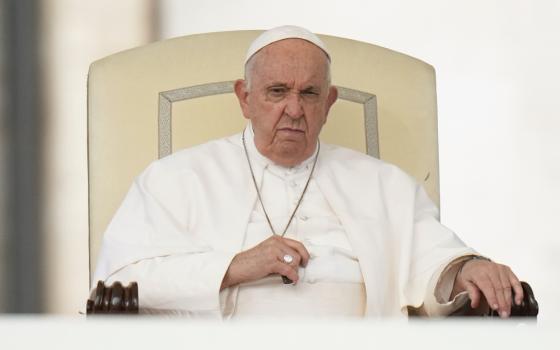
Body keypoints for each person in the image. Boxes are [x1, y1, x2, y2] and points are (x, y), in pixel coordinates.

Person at [93, 25, 523, 319]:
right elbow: (118, 281)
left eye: (309, 93)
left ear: (330, 102)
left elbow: (435, 261)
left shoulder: (384, 184)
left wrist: (468, 269)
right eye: (277, 92)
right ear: (244, 98)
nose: (294, 110)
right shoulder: (175, 179)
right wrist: (235, 266)